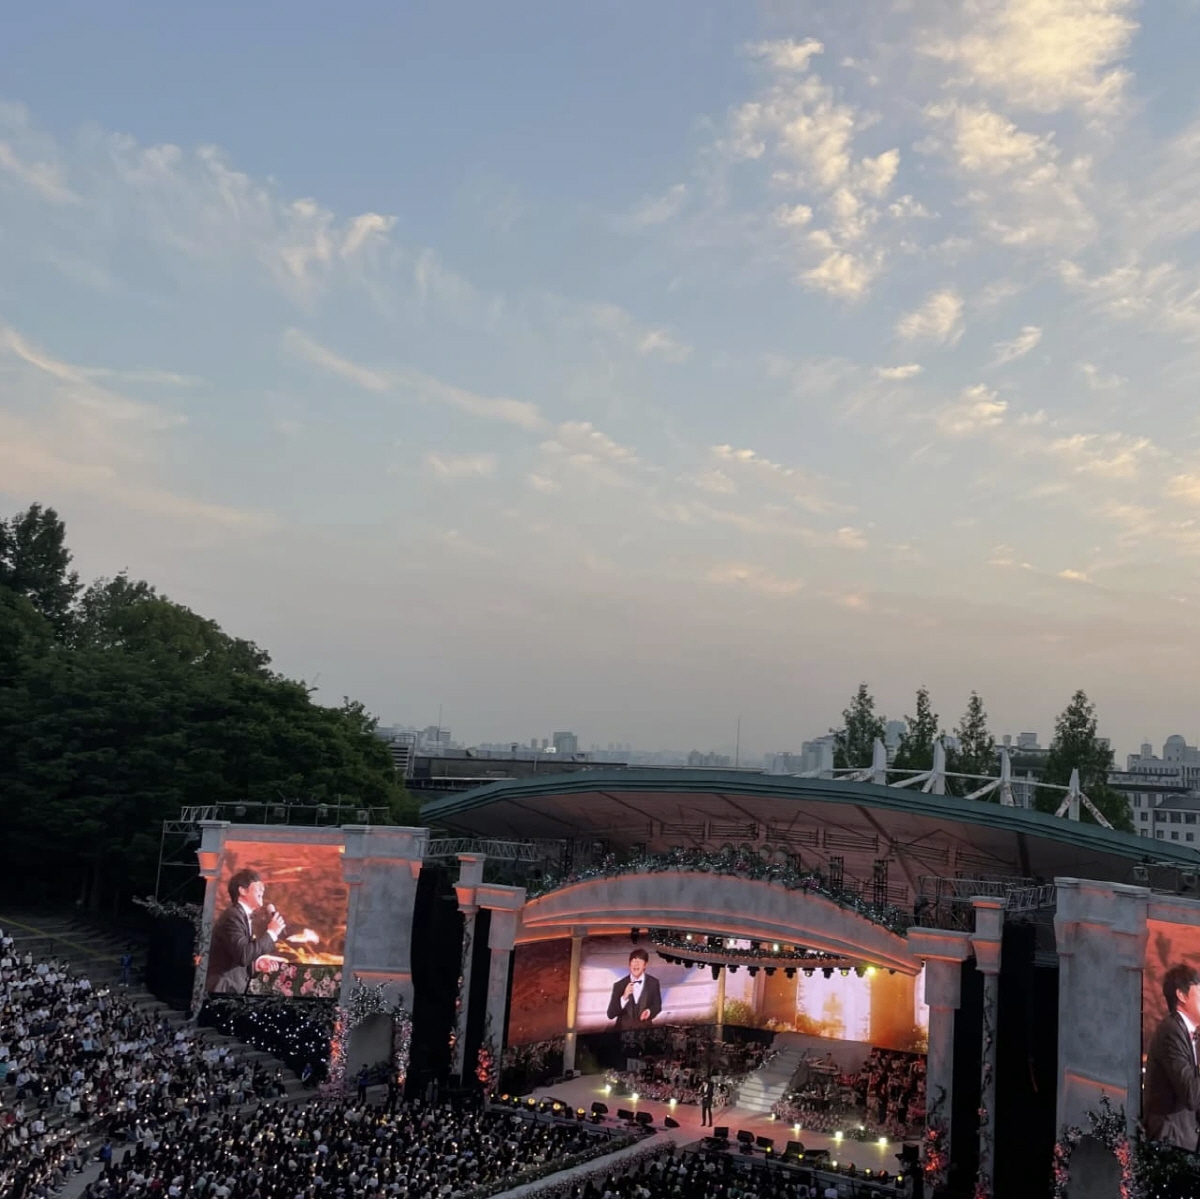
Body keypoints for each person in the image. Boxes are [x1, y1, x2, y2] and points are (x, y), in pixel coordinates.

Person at [1143, 962, 1200, 1150]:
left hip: (1185, 1141)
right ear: (1182, 995)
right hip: (1171, 1144)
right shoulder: (1171, 1032)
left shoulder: (1190, 1033)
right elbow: (1192, 1094)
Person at [205, 868, 286, 994]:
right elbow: (243, 955)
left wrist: (257, 964)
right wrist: (271, 933)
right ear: (242, 890)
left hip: (231, 990)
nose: (263, 889)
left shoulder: (242, 916)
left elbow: (237, 956)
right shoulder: (233, 916)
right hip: (222, 989)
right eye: (258, 886)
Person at [606, 949, 663, 1030]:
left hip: (645, 1032)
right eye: (633, 961)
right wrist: (624, 997)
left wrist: (649, 1012)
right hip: (623, 1032)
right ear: (629, 965)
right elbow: (610, 1014)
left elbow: (657, 1006)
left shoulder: (653, 983)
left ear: (645, 965)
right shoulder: (619, 985)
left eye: (639, 961)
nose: (636, 964)